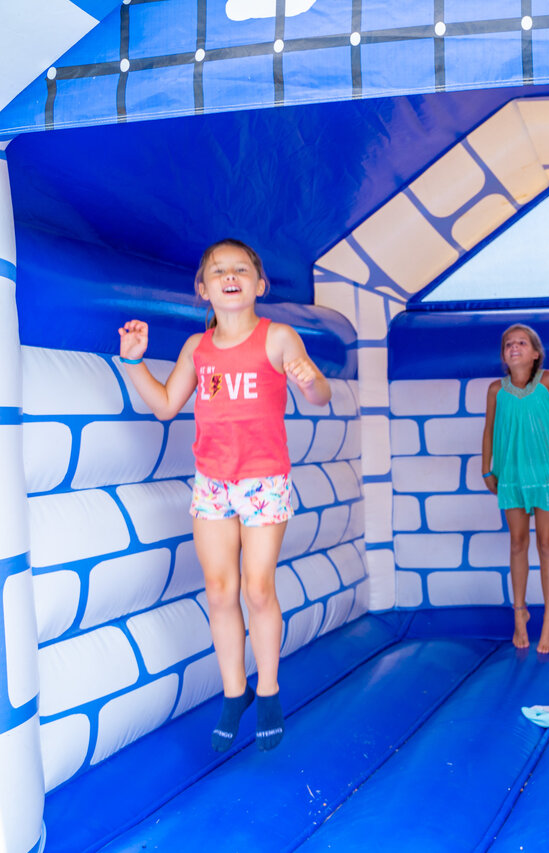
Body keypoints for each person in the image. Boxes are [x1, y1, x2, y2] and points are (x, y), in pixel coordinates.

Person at [116, 238, 332, 752]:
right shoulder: (198, 349)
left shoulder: (276, 338)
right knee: (219, 590)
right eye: (218, 271)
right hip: (213, 481)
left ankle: (269, 689)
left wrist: (309, 379)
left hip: (262, 480)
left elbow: (319, 394)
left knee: (258, 589)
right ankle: (235, 693)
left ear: (260, 285)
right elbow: (167, 405)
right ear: (203, 289)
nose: (229, 276)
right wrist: (134, 363)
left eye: (240, 269)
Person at [480, 323, 549, 654]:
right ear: (503, 356)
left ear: (535, 353)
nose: (515, 346)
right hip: (511, 473)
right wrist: (486, 468)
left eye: (522, 342)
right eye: (509, 344)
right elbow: (489, 430)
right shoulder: (496, 389)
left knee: (546, 543)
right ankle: (519, 612)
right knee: (518, 542)